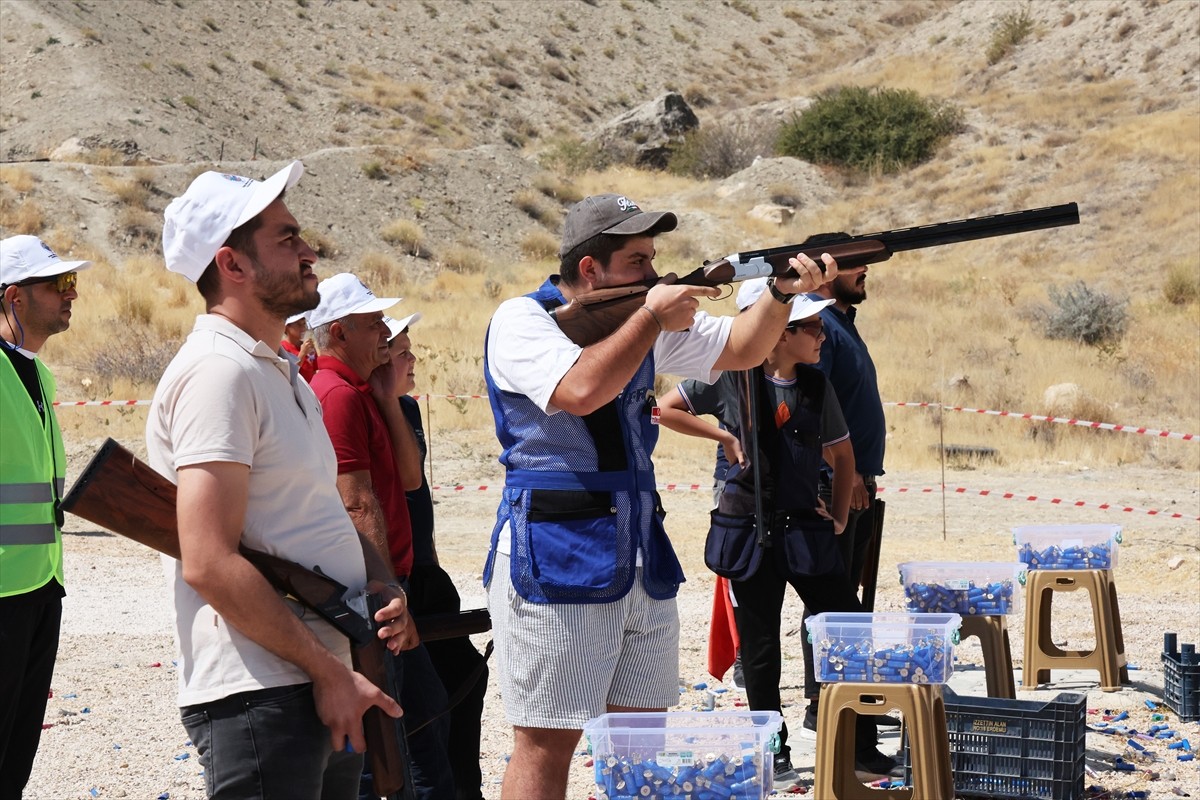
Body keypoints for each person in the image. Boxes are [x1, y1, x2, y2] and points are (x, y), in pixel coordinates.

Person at [482, 192, 837, 799]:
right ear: (590, 270)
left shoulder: (637, 320)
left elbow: (745, 349)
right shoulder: (523, 320)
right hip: (557, 551)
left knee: (641, 735)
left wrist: (779, 295)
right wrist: (649, 317)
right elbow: (580, 389)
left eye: (652, 258)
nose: (653, 273)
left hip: (638, 554)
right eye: (637, 261)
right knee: (547, 741)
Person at [147, 162, 415, 800]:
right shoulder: (219, 373)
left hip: (316, 679)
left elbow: (317, 512)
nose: (309, 251)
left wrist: (378, 581)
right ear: (232, 264)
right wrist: (327, 672)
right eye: (287, 239)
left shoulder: (278, 372)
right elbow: (209, 561)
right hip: (264, 690)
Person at [658, 278, 898, 784]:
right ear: (781, 332)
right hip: (747, 533)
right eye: (811, 326)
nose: (823, 335)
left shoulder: (816, 385)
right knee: (761, 647)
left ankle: (857, 742)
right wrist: (721, 433)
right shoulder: (724, 375)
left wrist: (835, 518)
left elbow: (843, 453)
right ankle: (773, 749)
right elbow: (666, 408)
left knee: (847, 630)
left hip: (805, 533)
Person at [307, 273, 454, 799]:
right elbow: (356, 501)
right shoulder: (338, 396)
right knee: (406, 735)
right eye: (374, 326)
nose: (386, 338)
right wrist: (387, 593)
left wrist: (388, 396)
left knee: (414, 723)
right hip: (376, 593)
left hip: (387, 585)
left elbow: (408, 481)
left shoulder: (357, 393)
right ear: (340, 333)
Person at [385, 313, 489, 800]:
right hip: (393, 578)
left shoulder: (403, 408)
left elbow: (415, 491)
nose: (413, 359)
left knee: (464, 676)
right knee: (420, 701)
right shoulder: (356, 406)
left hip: (425, 573)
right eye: (401, 350)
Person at [0, 235, 90, 798]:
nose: (71, 293)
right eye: (57, 284)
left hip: (40, 585)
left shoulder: (39, 376)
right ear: (13, 297)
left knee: (15, 757)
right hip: (3, 591)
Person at [799, 237, 893, 736]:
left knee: (845, 598)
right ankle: (826, 701)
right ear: (828, 269)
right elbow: (813, 412)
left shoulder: (840, 324)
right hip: (837, 483)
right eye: (855, 263)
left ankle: (839, 696)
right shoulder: (823, 330)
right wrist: (845, 474)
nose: (865, 273)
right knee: (832, 601)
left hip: (856, 482)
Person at [281, 311, 317, 382]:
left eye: (304, 324)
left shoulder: (306, 345)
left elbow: (315, 369)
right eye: (298, 324)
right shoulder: (283, 348)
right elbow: (289, 372)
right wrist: (302, 353)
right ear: (287, 327)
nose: (303, 328)